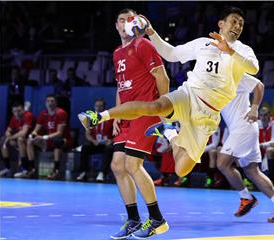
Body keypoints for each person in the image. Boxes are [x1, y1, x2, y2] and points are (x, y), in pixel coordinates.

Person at [78, 7, 259, 183]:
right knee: (155, 107)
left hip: (209, 114)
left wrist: (230, 51)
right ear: (221, 23)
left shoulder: (243, 50)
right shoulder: (203, 43)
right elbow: (171, 54)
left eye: (241, 24)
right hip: (189, 95)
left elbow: (254, 68)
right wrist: (151, 32)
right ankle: (99, 116)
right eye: (234, 22)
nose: (237, 27)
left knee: (181, 169)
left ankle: (170, 131)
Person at [105, 9, 170, 239]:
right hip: (128, 114)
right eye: (121, 20)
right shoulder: (117, 52)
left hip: (146, 110)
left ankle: (157, 219)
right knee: (117, 165)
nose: (125, 24)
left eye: (129, 20)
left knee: (133, 165)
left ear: (136, 23)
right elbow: (120, 86)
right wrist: (115, 115)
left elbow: (163, 77)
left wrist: (163, 110)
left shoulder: (143, 45)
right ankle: (133, 220)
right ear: (116, 25)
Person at [217, 74, 274, 223]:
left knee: (222, 163)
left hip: (243, 127)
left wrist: (254, 108)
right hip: (244, 129)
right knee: (252, 170)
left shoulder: (234, 73)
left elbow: (259, 86)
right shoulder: (214, 79)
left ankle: (246, 198)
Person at [20, 94, 72, 180]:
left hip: (64, 140)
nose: (50, 103)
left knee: (57, 142)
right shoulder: (43, 114)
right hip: (47, 141)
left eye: (52, 101)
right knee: (29, 141)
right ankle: (32, 169)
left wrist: (44, 137)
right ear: (45, 103)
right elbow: (36, 130)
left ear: (56, 103)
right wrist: (32, 135)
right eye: (48, 101)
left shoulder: (61, 113)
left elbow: (59, 133)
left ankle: (56, 171)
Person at [76, 98, 114, 182]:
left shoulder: (111, 118)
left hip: (107, 144)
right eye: (97, 106)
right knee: (85, 148)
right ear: (94, 107)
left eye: (101, 106)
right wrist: (94, 141)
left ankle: (102, 173)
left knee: (109, 149)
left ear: (104, 107)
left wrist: (111, 140)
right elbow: (87, 134)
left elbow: (117, 133)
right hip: (95, 143)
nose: (99, 108)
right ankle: (83, 172)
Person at [0, 102, 35, 177]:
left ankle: (25, 169)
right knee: (2, 140)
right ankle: (7, 168)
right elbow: (8, 130)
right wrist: (8, 135)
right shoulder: (14, 118)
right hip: (20, 140)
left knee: (20, 139)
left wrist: (10, 138)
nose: (17, 113)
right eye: (14, 111)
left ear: (23, 110)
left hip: (32, 139)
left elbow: (24, 133)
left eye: (19, 111)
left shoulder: (28, 115)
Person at [258, 107, 274, 183]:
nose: (263, 117)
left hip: (270, 149)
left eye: (265, 115)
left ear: (269, 115)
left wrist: (260, 145)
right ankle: (246, 180)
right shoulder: (256, 123)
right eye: (261, 115)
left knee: (269, 150)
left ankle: (271, 179)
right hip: (259, 148)